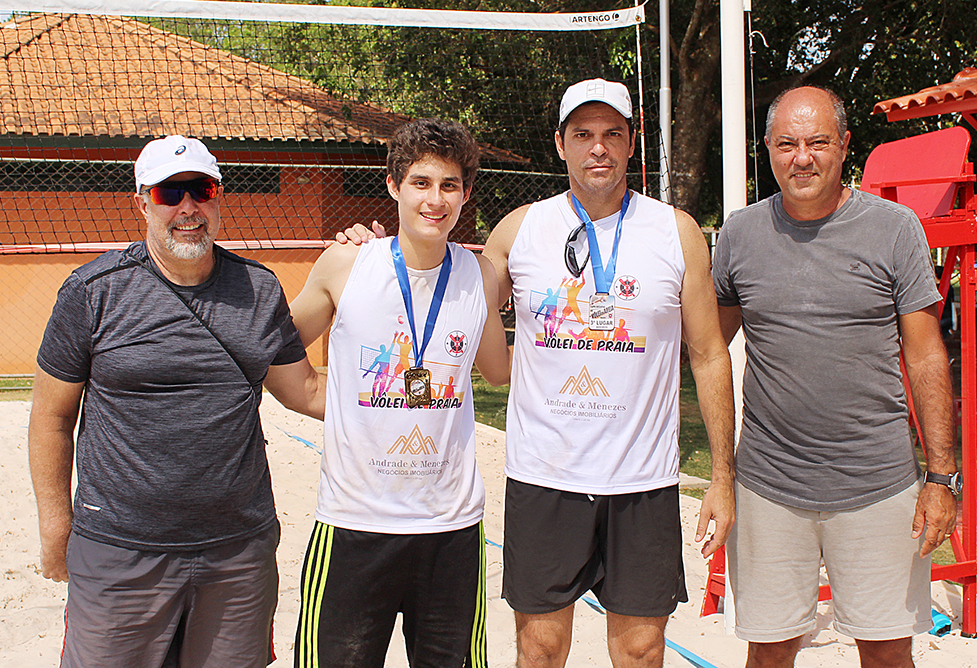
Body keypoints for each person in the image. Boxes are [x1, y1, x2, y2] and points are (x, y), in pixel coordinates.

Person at [344, 78, 736, 668]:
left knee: (641, 648)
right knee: (541, 646)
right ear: (560, 143)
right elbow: (444, 288)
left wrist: (723, 480)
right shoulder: (520, 229)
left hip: (643, 480)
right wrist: (376, 254)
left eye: (612, 134)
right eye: (583, 134)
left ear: (632, 144)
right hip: (543, 477)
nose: (597, 148)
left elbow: (709, 354)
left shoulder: (675, 231)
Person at [29, 135, 325, 667]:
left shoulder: (259, 289)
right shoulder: (93, 291)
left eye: (200, 189)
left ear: (217, 198)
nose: (188, 207)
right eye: (170, 193)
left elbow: (305, 390)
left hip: (237, 554)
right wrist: (56, 529)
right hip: (120, 550)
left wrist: (420, 390)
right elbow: (51, 417)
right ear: (142, 202)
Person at [713, 86, 958, 668]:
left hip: (878, 483)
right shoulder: (740, 235)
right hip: (769, 485)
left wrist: (941, 479)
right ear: (767, 149)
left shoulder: (895, 230)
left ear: (844, 146)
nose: (803, 157)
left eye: (818, 142)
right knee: (769, 652)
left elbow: (926, 358)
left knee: (887, 650)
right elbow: (703, 349)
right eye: (788, 144)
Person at [287, 118, 510, 668]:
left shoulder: (478, 274)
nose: (435, 199)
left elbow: (498, 373)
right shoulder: (347, 263)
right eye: (421, 182)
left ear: (465, 194)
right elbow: (272, 346)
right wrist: (323, 398)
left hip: (449, 528)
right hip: (354, 522)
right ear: (393, 185)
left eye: (449, 185)